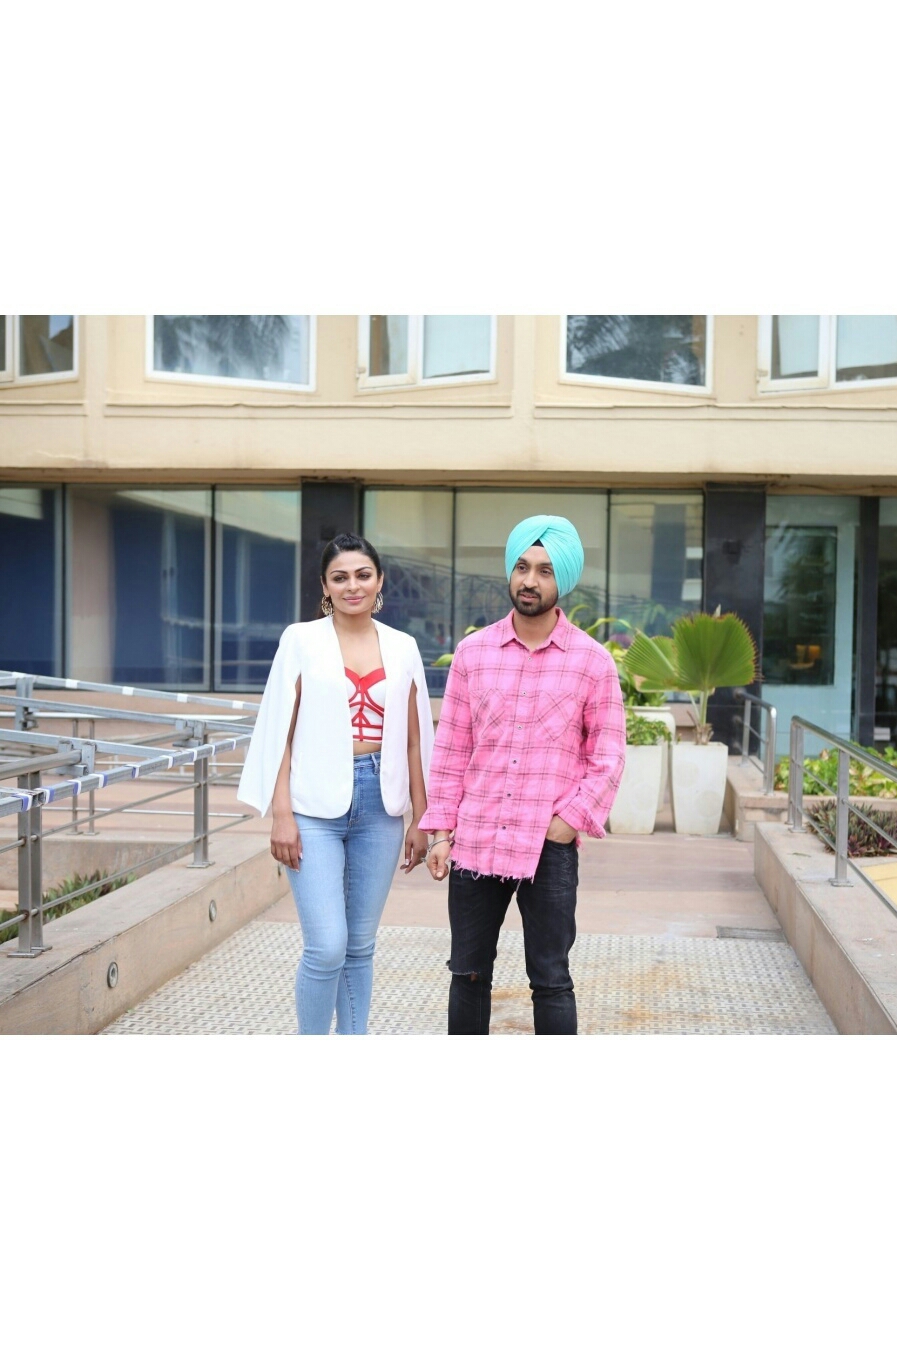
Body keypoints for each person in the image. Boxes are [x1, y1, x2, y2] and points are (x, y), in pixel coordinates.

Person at [420, 515, 626, 1035]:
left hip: (547, 845)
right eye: (521, 566)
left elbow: (609, 754)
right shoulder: (473, 653)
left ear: (563, 582)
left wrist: (568, 821)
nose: (530, 580)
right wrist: (441, 833)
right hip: (477, 838)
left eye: (544, 571)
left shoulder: (592, 662)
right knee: (467, 975)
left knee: (551, 978)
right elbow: (451, 749)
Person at [238, 532, 434, 1034]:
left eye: (363, 575)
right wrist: (281, 814)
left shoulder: (404, 647)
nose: (353, 586)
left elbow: (415, 739)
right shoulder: (300, 640)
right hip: (311, 807)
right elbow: (279, 730)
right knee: (327, 945)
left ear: (379, 580)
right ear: (325, 585)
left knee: (360, 945)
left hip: (381, 807)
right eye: (340, 577)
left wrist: (423, 818)